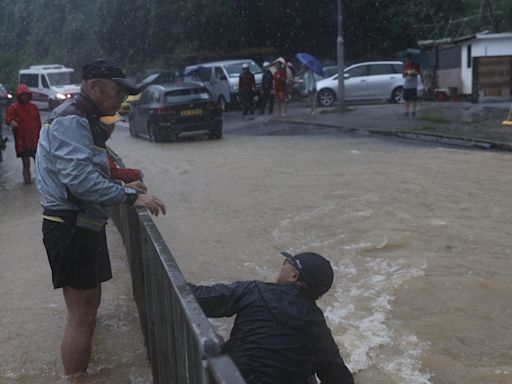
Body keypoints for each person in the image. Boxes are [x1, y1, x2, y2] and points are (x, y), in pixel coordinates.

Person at [35, 59, 166, 376]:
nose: (121, 99)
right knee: (82, 316)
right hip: (71, 228)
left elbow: (84, 173)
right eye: (117, 91)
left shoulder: (82, 119)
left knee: (87, 311)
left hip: (79, 225)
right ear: (93, 86)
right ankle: (76, 380)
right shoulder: (72, 120)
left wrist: (118, 184)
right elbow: (79, 181)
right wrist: (132, 196)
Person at [189, 251, 354, 384]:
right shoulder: (317, 325)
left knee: (217, 342)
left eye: (285, 264)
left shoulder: (253, 290)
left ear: (294, 276)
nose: (282, 267)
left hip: (233, 378)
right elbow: (338, 377)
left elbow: (195, 298)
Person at [5, 84, 41, 184]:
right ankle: (27, 182)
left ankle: (41, 181)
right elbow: (8, 118)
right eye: (22, 95)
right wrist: (12, 122)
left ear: (29, 96)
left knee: (39, 162)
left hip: (34, 139)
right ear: (19, 96)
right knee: (26, 163)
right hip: (22, 140)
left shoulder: (33, 107)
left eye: (26, 95)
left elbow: (38, 123)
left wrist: (41, 136)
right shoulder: (14, 107)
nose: (24, 97)